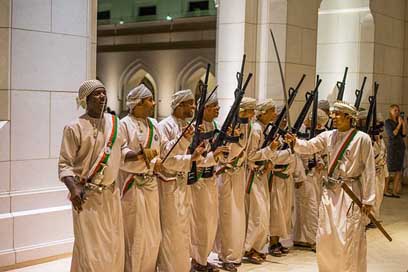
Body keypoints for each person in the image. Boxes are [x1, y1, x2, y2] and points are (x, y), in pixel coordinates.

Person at [58, 79, 139, 272]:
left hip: (111, 194)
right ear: (85, 99)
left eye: (104, 92)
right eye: (97, 93)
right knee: (91, 247)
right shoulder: (74, 127)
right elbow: (64, 164)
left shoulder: (114, 122)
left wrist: (138, 155)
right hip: (87, 196)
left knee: (113, 244)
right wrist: (73, 189)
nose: (102, 96)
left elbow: (123, 148)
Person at [285, 101, 376, 272]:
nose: (333, 117)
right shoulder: (329, 135)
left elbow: (369, 171)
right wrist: (294, 141)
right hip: (329, 193)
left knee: (346, 234)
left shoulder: (362, 139)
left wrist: (369, 200)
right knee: (326, 235)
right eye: (333, 113)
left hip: (350, 193)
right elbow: (308, 147)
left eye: (338, 114)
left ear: (349, 117)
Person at [156, 89, 206, 272]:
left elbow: (186, 154)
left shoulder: (186, 125)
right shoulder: (165, 126)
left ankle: (182, 266)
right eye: (191, 103)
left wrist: (196, 152)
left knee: (184, 228)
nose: (194, 107)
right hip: (168, 184)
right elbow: (165, 158)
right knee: (171, 230)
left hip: (183, 184)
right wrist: (187, 149)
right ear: (180, 105)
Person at [118, 84, 163, 272]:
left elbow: (161, 149)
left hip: (151, 183)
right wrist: (139, 155)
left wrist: (157, 159)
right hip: (132, 184)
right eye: (150, 100)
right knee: (135, 232)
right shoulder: (123, 124)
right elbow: (120, 153)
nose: (153, 104)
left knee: (153, 232)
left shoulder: (153, 124)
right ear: (138, 103)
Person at [215, 97, 256, 272]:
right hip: (226, 175)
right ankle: (227, 255)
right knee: (227, 216)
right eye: (250, 111)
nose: (253, 114)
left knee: (238, 216)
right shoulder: (228, 127)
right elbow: (226, 155)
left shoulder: (249, 127)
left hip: (239, 174)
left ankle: (235, 254)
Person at [244, 99, 280, 264]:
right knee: (257, 215)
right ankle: (250, 248)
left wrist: (269, 158)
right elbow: (251, 156)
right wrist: (270, 150)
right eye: (272, 110)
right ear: (264, 112)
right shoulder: (257, 129)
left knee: (263, 214)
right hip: (254, 176)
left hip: (261, 176)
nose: (275, 114)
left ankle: (258, 247)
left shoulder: (264, 128)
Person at [293, 109, 329, 251]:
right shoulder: (300, 132)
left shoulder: (312, 132)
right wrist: (299, 176)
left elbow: (315, 152)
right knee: (310, 208)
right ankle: (313, 239)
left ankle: (302, 238)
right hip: (304, 175)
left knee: (310, 207)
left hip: (314, 174)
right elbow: (297, 155)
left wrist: (320, 161)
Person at [384, 104, 406, 198]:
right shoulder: (388, 122)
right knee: (389, 170)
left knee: (398, 170)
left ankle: (394, 191)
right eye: (395, 110)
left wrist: (403, 123)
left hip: (400, 147)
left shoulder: (399, 121)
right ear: (391, 111)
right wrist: (399, 124)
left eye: (398, 110)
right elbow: (392, 134)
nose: (397, 112)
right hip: (392, 148)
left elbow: (404, 134)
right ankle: (385, 190)